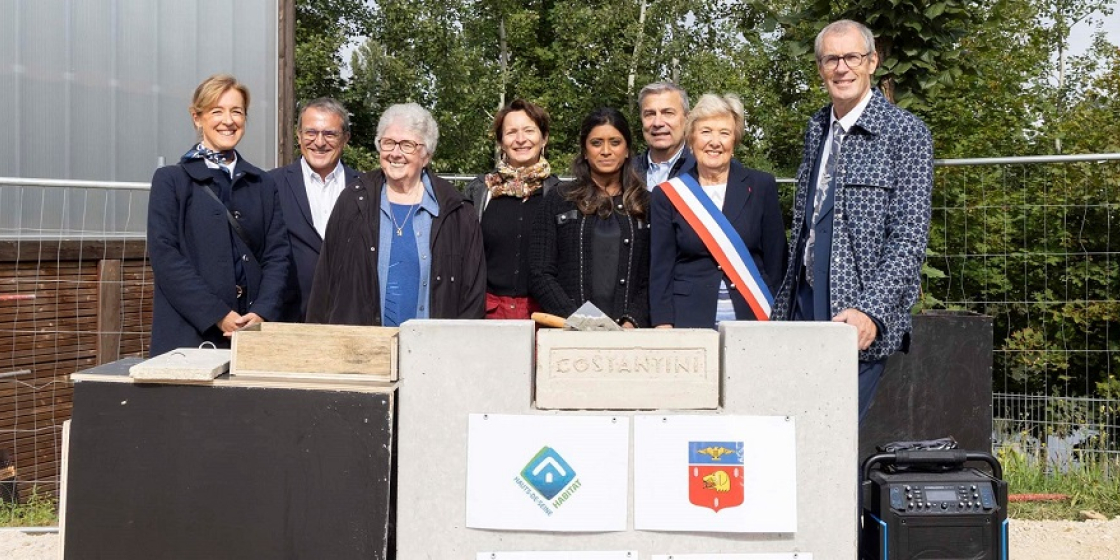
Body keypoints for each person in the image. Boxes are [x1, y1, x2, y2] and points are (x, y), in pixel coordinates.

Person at [771, 20, 934, 422]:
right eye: (831, 59)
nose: (841, 68)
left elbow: (909, 241)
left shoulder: (906, 134)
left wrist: (870, 311)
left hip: (856, 320)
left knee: (832, 441)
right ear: (820, 67)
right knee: (794, 435)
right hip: (802, 313)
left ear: (872, 62)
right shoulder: (816, 128)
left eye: (852, 57)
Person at [147, 74, 290, 356]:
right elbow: (165, 256)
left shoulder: (262, 183)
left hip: (252, 334)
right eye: (217, 111)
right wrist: (216, 313)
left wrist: (262, 310)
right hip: (189, 334)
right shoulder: (172, 180)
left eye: (236, 111)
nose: (228, 120)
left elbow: (278, 254)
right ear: (197, 118)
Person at [306, 103, 485, 326]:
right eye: (388, 143)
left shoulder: (456, 211)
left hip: (433, 351)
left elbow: (473, 296)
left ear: (426, 155)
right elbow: (326, 281)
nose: (395, 153)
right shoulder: (353, 201)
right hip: (363, 350)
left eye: (407, 145)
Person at [649, 93, 787, 329]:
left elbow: (777, 262)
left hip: (753, 316)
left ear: (735, 141)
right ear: (691, 139)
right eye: (706, 132)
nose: (715, 141)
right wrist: (662, 323)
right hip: (689, 318)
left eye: (724, 133)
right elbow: (661, 269)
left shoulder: (762, 186)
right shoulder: (668, 194)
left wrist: (779, 317)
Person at [529, 107, 650, 328]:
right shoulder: (558, 200)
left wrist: (632, 320)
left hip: (630, 334)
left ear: (627, 150)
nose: (606, 151)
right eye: (596, 143)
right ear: (585, 150)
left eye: (615, 142)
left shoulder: (647, 204)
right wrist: (577, 320)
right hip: (570, 332)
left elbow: (655, 276)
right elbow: (540, 272)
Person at [464, 99, 560, 319]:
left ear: (544, 138)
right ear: (500, 141)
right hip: (488, 312)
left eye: (529, 130)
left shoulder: (559, 194)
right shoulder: (480, 191)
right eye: (511, 132)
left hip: (544, 314)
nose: (520, 140)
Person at [270, 98, 360, 321]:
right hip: (288, 318)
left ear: (345, 138)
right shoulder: (271, 185)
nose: (319, 142)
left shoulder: (366, 188)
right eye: (311, 132)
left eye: (330, 134)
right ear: (299, 135)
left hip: (350, 318)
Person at [634, 82, 694, 190]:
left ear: (687, 119)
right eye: (650, 114)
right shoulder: (627, 173)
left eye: (668, 113)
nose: (658, 123)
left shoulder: (703, 171)